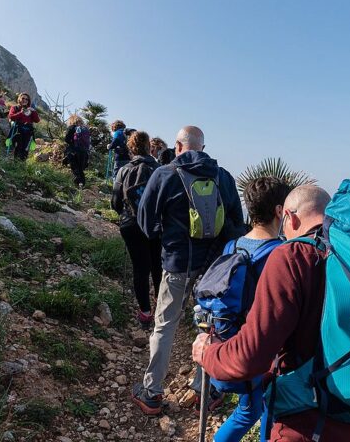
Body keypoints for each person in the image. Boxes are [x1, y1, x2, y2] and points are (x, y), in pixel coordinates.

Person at [192, 185, 350, 442]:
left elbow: (251, 356)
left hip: (308, 426)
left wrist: (208, 353)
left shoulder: (292, 256)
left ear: (290, 217)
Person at [131, 125, 245, 415]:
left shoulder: (165, 174)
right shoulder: (223, 177)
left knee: (165, 326)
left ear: (178, 146)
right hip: (213, 269)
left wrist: (168, 237)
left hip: (177, 264)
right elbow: (236, 221)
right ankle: (202, 392)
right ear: (202, 149)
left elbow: (146, 223)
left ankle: (152, 393)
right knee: (208, 328)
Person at [206, 176, 290, 442]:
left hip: (232, 341)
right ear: (279, 211)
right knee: (267, 409)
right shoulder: (280, 254)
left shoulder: (234, 245)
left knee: (249, 409)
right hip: (263, 352)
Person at [111, 131, 162, 329]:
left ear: (131, 148)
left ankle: (145, 313)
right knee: (157, 266)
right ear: (150, 147)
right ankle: (160, 307)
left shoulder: (124, 170)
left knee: (140, 268)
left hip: (131, 224)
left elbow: (115, 201)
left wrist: (124, 214)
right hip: (156, 226)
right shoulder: (160, 169)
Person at [7, 93, 39, 160]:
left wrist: (34, 111)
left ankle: (21, 166)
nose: (25, 100)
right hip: (18, 130)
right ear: (19, 99)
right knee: (18, 147)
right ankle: (15, 164)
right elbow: (11, 117)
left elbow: (37, 120)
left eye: (27, 99)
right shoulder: (15, 108)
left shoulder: (31, 110)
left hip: (28, 131)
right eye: (23, 98)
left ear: (28, 101)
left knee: (25, 149)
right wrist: (21, 113)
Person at [64, 114, 90, 186]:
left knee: (75, 168)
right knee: (80, 169)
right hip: (84, 151)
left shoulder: (72, 127)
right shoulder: (84, 129)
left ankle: (77, 183)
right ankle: (82, 185)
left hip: (74, 151)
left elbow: (66, 139)